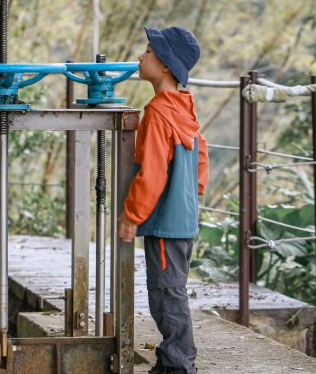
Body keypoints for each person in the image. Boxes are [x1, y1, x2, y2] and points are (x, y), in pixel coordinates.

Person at [118, 26, 209, 374]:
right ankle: (173, 360)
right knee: (172, 290)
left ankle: (178, 365)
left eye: (149, 52)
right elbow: (202, 158)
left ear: (166, 66)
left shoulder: (157, 112)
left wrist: (131, 214)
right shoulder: (184, 106)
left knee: (167, 294)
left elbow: (152, 172)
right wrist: (190, 196)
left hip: (164, 222)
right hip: (182, 219)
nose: (141, 56)